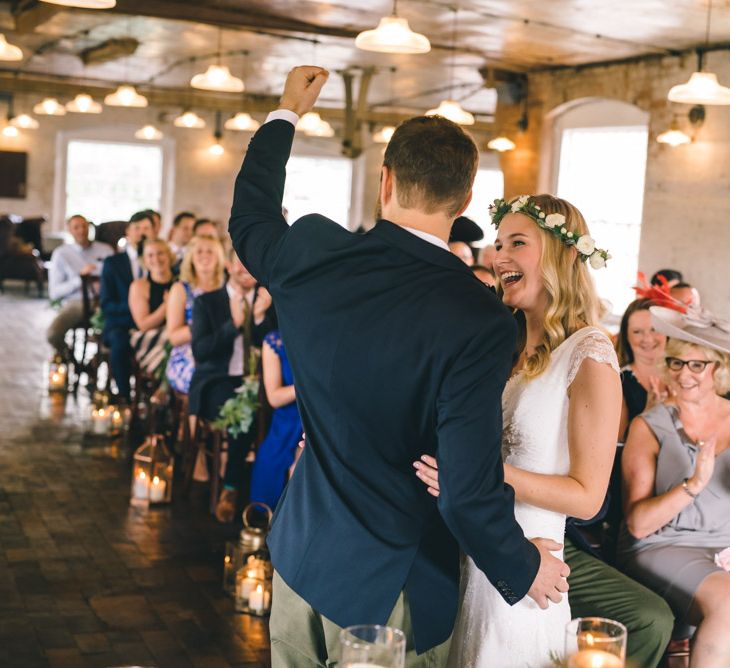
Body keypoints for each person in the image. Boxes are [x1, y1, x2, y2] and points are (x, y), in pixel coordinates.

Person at [230, 66, 568, 667]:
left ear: (384, 180)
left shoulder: (312, 252)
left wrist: (287, 112)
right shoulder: (480, 319)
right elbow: (463, 487)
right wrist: (524, 566)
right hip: (388, 592)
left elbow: (251, 216)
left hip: (301, 555)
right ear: (464, 201)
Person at [413, 194, 621, 666]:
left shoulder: (589, 354)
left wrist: (476, 475)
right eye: (499, 243)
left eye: (518, 243)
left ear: (565, 255)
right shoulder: (506, 342)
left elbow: (588, 497)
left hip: (530, 567)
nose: (498, 256)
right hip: (474, 554)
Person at [619, 306, 730, 668]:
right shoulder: (649, 426)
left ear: (719, 368)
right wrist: (694, 484)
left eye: (697, 365)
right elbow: (638, 524)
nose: (685, 375)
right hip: (662, 546)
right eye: (677, 363)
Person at [189, 248, 275, 522]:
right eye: (240, 263)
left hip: (262, 381)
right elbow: (201, 352)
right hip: (217, 380)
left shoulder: (269, 301)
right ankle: (230, 488)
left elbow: (277, 345)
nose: (246, 269)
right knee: (245, 414)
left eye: (252, 265)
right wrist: (234, 325)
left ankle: (271, 492)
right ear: (228, 265)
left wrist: (260, 318)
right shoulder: (207, 302)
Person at [100, 212, 155, 400]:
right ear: (128, 232)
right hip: (121, 323)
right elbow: (107, 304)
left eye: (146, 229)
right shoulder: (113, 263)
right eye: (137, 228)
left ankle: (153, 397)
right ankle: (125, 397)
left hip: (153, 323)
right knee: (120, 344)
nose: (142, 233)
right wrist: (137, 309)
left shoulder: (158, 259)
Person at [249, 329, 302, 511]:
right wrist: (306, 385)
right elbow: (274, 398)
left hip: (320, 417)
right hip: (287, 420)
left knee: (302, 468)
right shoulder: (275, 341)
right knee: (271, 470)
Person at [165, 235, 225, 395]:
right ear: (191, 257)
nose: (204, 256)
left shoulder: (227, 288)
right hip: (188, 354)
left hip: (223, 348)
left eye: (210, 251)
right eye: (199, 251)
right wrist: (203, 326)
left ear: (219, 257)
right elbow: (174, 337)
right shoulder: (181, 289)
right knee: (209, 379)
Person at [46, 214, 113, 358]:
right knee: (53, 334)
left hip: (104, 300)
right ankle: (68, 357)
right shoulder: (61, 254)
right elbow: (54, 292)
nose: (81, 231)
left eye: (84, 226)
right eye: (76, 227)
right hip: (77, 301)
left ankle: (104, 358)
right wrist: (79, 279)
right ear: (70, 230)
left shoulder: (105, 250)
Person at [128, 238, 175, 375]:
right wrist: (167, 305)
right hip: (149, 336)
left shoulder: (181, 281)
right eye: (150, 255)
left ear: (169, 255)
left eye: (160, 253)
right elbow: (143, 325)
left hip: (176, 333)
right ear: (144, 260)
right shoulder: (139, 286)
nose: (156, 259)